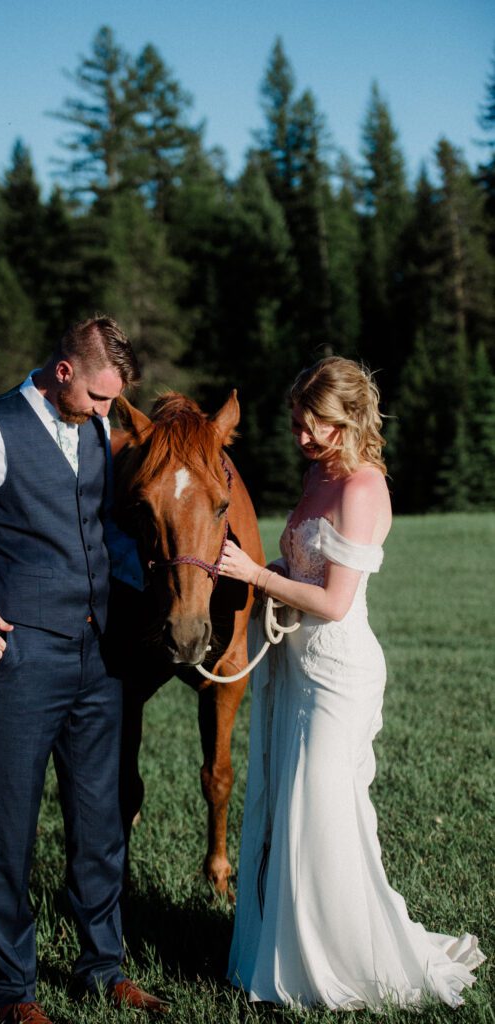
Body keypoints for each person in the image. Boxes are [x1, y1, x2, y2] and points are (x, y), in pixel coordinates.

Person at [0, 316, 167, 1024]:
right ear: (63, 372)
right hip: (23, 656)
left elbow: (97, 524)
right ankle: (12, 991)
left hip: (99, 656)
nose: (109, 414)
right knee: (11, 824)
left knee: (101, 819)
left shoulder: (97, 429)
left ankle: (101, 967)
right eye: (101, 398)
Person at [219, 356, 485, 1010]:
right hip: (296, 667)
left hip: (339, 671)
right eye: (297, 425)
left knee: (325, 814)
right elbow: (305, 567)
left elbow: (335, 601)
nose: (303, 439)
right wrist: (268, 570)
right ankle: (285, 952)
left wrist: (255, 575)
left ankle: (344, 963)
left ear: (351, 419)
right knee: (291, 810)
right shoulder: (319, 476)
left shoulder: (362, 488)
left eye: (317, 427)